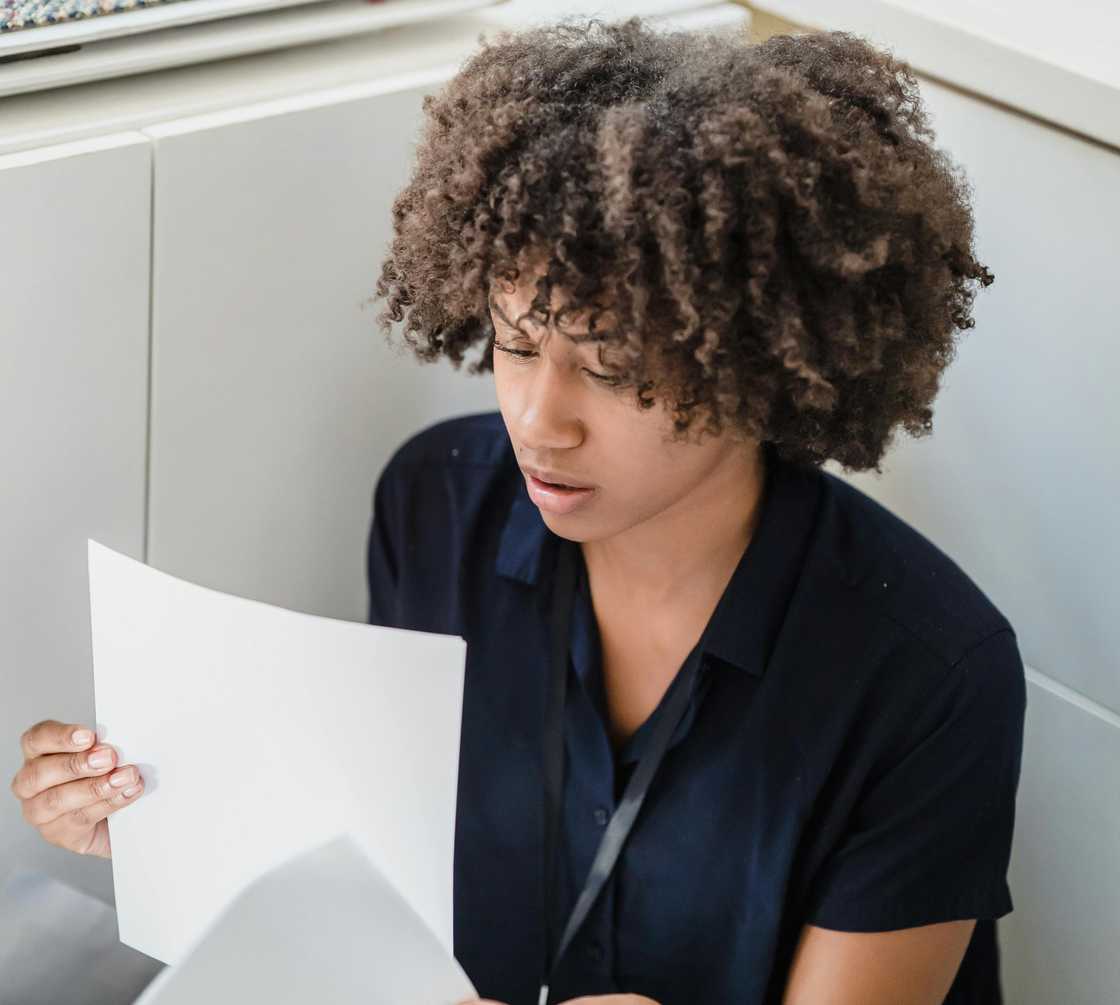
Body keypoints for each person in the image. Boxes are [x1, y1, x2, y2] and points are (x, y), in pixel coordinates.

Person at [10, 16, 1025, 1005]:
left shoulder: (928, 672)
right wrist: (161, 824)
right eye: (514, 344)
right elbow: (367, 871)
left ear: (755, 364)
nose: (539, 422)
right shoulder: (436, 502)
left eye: (612, 368)